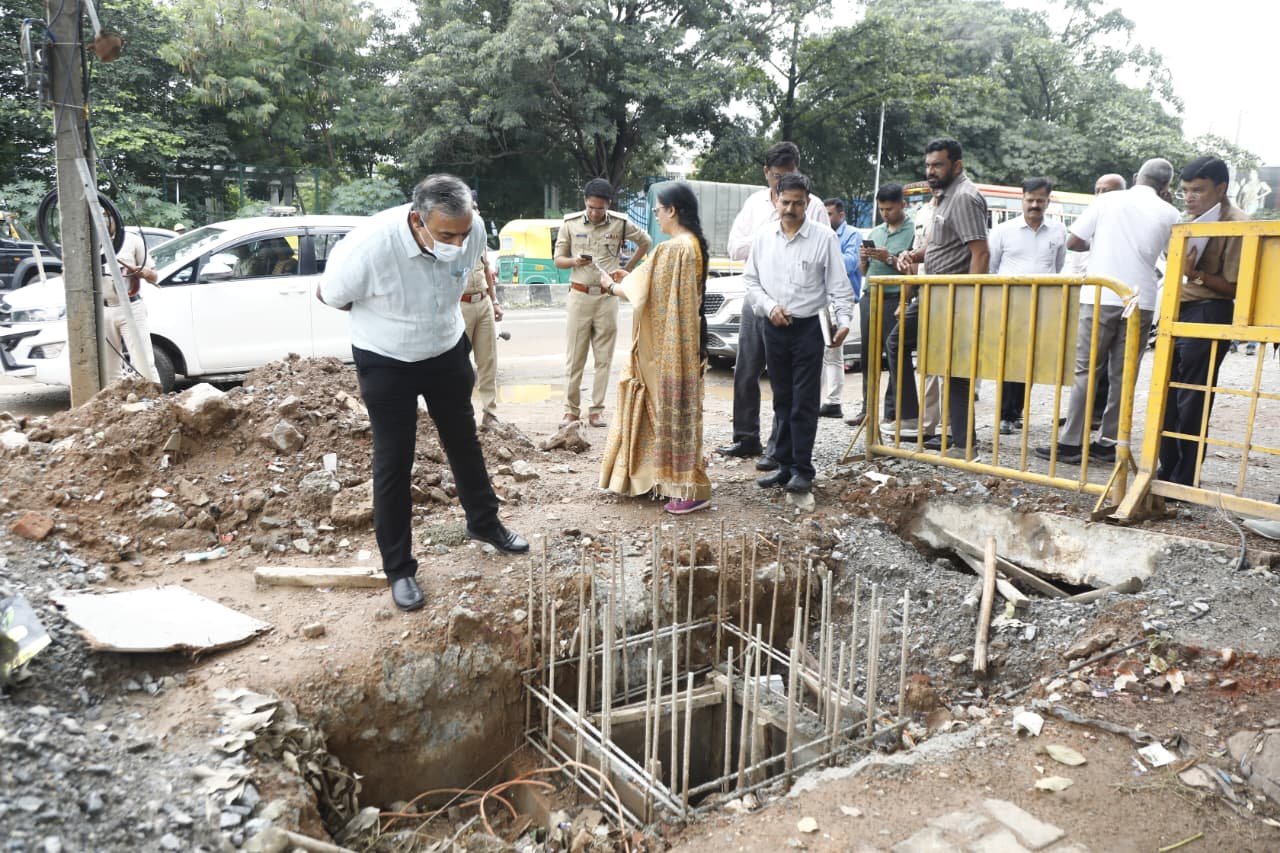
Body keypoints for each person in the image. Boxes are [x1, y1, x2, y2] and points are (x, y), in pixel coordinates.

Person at [317, 174, 528, 613]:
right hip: (386, 357)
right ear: (417, 220)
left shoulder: (472, 229)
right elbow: (329, 294)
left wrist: (459, 243)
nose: (458, 243)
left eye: (463, 234)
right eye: (446, 235)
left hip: (446, 348)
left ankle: (484, 523)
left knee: (464, 441)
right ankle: (399, 569)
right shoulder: (369, 247)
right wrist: (388, 313)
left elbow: (465, 264)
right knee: (394, 460)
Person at [1035, 158, 1178, 465]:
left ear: (1136, 177)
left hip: (1101, 294)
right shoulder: (1170, 212)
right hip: (1141, 299)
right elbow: (1174, 255)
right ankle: (1110, 442)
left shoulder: (1108, 200)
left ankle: (1071, 442)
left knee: (1086, 370)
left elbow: (1074, 241)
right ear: (1166, 185)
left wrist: (1102, 244)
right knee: (1124, 374)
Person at [598, 182, 712, 514]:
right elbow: (651, 282)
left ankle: (690, 488)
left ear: (672, 210)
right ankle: (665, 481)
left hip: (668, 349)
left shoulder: (673, 248)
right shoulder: (693, 245)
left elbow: (640, 292)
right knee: (680, 412)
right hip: (685, 345)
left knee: (669, 410)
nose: (656, 215)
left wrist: (611, 285)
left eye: (658, 210)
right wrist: (628, 278)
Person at [719, 141, 830, 466]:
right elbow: (734, 247)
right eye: (777, 175)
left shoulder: (814, 205)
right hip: (757, 300)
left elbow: (824, 250)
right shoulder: (755, 204)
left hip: (796, 307)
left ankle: (778, 450)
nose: (783, 181)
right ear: (766, 173)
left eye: (789, 174)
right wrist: (771, 236)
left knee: (787, 382)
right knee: (746, 369)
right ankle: (745, 438)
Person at [743, 174, 855, 494]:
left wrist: (844, 321)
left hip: (809, 328)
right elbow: (751, 281)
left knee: (804, 401)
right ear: (776, 201)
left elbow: (838, 285)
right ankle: (784, 465)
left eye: (798, 203)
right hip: (774, 326)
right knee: (782, 398)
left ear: (808, 203)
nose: (791, 209)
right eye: (785, 202)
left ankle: (803, 470)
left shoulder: (824, 237)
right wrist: (769, 307)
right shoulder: (763, 237)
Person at [892, 138, 990, 458]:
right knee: (902, 345)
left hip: (953, 298)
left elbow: (980, 253)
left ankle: (963, 445)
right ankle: (922, 422)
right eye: (928, 165)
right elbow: (939, 245)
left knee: (955, 371)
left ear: (956, 165)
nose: (930, 171)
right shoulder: (944, 197)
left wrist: (970, 303)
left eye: (938, 165)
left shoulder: (964, 197)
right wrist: (913, 255)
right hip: (933, 294)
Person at [1157, 156, 1248, 486]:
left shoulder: (1237, 224)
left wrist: (1194, 273)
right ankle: (1167, 468)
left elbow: (1236, 286)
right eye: (1185, 190)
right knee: (1167, 395)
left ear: (1221, 188)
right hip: (1177, 309)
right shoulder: (1193, 218)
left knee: (1192, 398)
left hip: (1209, 311)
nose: (1189, 197)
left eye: (1198, 190)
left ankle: (1185, 477)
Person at [554, 178, 652, 429]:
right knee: (575, 358)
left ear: (608, 204)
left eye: (600, 208)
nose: (595, 213)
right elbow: (558, 260)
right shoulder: (570, 223)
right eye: (591, 207)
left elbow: (646, 242)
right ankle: (570, 411)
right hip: (579, 296)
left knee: (603, 358)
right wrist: (574, 261)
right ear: (585, 202)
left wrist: (627, 268)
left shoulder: (620, 223)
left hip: (607, 298)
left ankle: (596, 410)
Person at [987, 177, 1067, 435]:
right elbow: (991, 267)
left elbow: (1058, 265)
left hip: (1043, 305)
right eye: (1030, 200)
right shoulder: (1003, 231)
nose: (1034, 205)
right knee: (1010, 358)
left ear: (1048, 201)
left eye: (1040, 200)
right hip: (1010, 304)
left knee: (1032, 360)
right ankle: (1005, 415)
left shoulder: (1058, 231)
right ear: (1021, 200)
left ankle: (1016, 411)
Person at [1064, 173, 1128, 428]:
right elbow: (1072, 252)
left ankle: (1097, 420)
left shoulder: (1121, 224)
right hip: (1084, 297)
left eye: (1107, 191)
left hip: (1110, 299)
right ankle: (1079, 418)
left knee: (1107, 368)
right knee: (1083, 365)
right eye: (1098, 190)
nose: (1101, 195)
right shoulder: (1090, 219)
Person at [851, 184, 913, 428]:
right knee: (868, 356)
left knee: (894, 354)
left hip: (894, 298)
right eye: (881, 209)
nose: (885, 214)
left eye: (890, 209)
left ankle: (892, 410)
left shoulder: (912, 231)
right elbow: (863, 271)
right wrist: (863, 259)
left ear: (902, 205)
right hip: (870, 296)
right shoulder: (876, 231)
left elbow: (912, 268)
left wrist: (888, 258)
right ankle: (867, 409)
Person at [819, 197, 863, 419]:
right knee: (825, 352)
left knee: (832, 350)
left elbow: (851, 263)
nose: (826, 218)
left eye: (830, 214)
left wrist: (826, 256)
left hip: (842, 299)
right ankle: (827, 401)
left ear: (841, 215)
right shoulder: (821, 234)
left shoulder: (852, 234)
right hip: (823, 299)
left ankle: (833, 401)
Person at [101, 217, 158, 384]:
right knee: (108, 368)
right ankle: (115, 399)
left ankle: (153, 396)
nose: (103, 221)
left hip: (130, 305)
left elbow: (154, 276)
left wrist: (143, 272)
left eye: (106, 216)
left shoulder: (132, 240)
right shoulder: (89, 242)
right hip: (103, 308)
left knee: (144, 362)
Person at [461, 210, 502, 430]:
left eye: (476, 209)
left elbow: (487, 270)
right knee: (458, 363)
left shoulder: (478, 235)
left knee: (488, 361)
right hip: (460, 305)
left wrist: (494, 302)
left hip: (483, 301)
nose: (475, 213)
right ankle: (460, 414)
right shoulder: (448, 236)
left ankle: (490, 413)